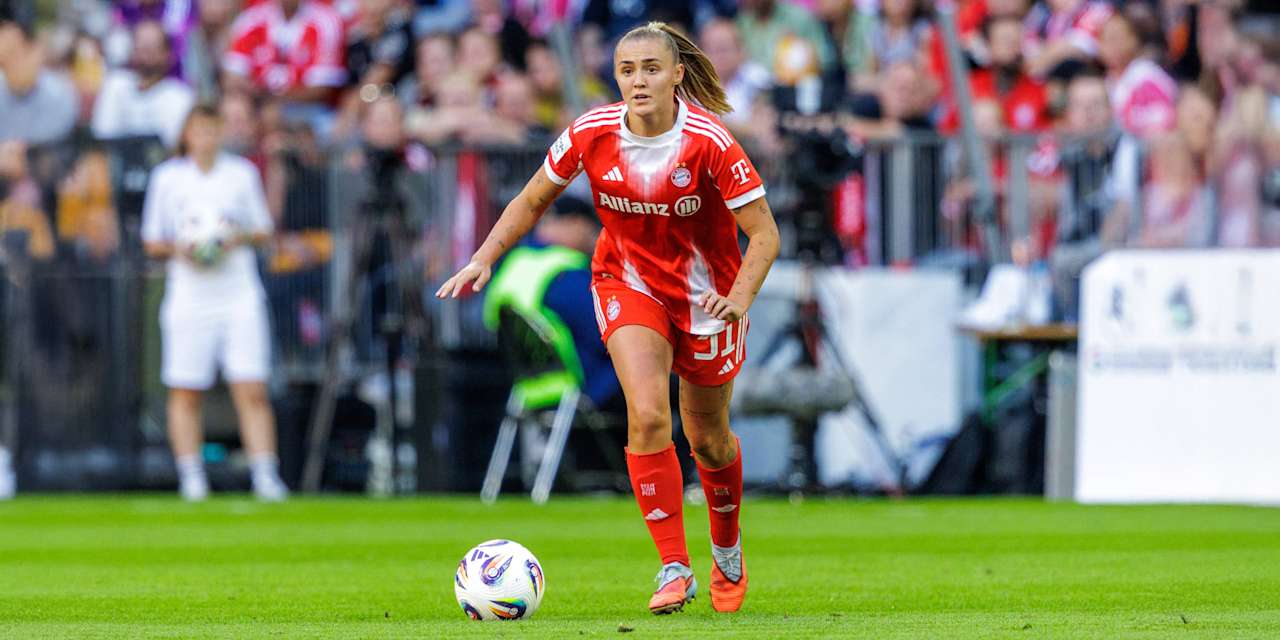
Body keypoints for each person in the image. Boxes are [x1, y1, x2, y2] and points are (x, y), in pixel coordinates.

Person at [437, 22, 779, 615]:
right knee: (647, 415)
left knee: (709, 439)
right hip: (628, 282)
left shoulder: (710, 141)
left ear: (677, 75)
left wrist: (741, 299)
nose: (638, 80)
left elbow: (765, 234)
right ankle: (674, 566)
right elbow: (532, 199)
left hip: (708, 298)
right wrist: (484, 257)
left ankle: (727, 549)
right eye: (627, 70)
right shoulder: (592, 131)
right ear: (615, 76)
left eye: (651, 68)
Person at [141, 105, 289, 502]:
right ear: (187, 134)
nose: (205, 137)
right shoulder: (168, 178)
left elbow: (262, 230)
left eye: (212, 129)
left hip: (237, 294)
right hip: (189, 296)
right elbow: (153, 240)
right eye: (198, 130)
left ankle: (265, 474)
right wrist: (186, 247)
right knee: (185, 389)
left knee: (251, 386)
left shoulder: (240, 174)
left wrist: (228, 238)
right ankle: (191, 475)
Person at [92, 19, 195, 148]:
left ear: (167, 54)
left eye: (152, 47)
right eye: (140, 46)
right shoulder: (115, 85)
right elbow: (102, 136)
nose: (145, 53)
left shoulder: (181, 96)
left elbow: (175, 147)